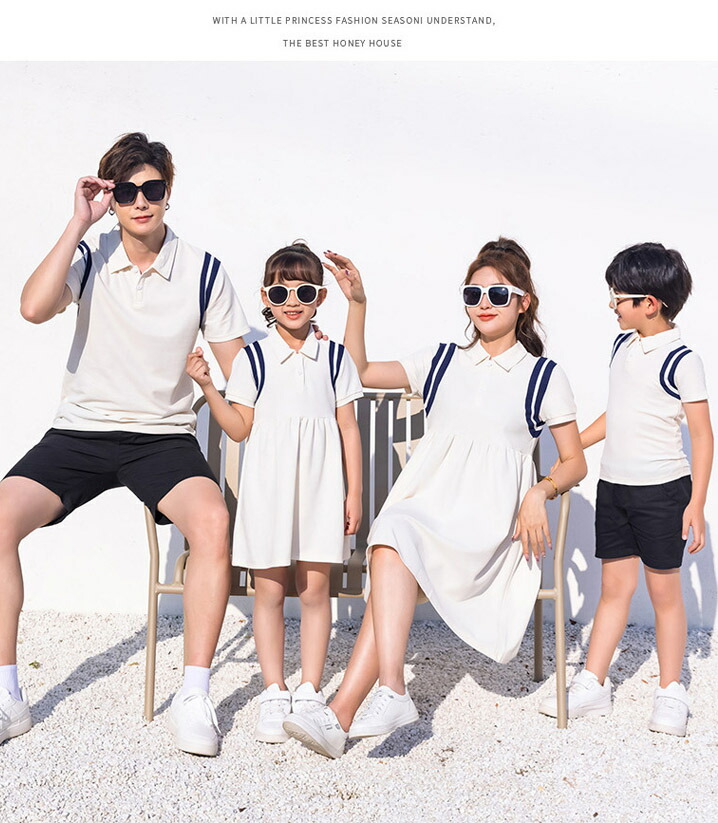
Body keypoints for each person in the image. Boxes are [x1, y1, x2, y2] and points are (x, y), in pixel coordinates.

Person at [0, 133, 250, 757]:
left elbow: (241, 368)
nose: (140, 201)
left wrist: (297, 353)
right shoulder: (90, 253)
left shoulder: (204, 270)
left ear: (168, 193)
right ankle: (6, 696)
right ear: (112, 198)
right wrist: (78, 222)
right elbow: (32, 308)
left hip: (162, 437)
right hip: (81, 432)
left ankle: (194, 695)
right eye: (126, 191)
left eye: (152, 188)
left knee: (212, 522)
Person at [282, 238, 587, 758]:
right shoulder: (444, 360)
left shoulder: (543, 375)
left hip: (487, 531)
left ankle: (349, 711)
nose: (484, 303)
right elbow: (360, 372)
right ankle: (377, 696)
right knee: (394, 533)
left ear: (523, 302)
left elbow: (574, 461)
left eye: (497, 293)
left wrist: (541, 490)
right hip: (427, 512)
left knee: (393, 538)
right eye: (473, 293)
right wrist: (357, 304)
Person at [186, 241, 363, 743]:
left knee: (315, 589)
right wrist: (208, 387)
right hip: (267, 491)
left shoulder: (334, 358)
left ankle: (309, 689)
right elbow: (239, 428)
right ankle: (273, 689)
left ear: (320, 297)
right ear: (266, 296)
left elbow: (349, 428)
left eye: (304, 292)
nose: (292, 301)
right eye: (281, 292)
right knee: (267, 591)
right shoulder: (253, 359)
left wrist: (354, 493)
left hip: (320, 491)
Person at [540, 242, 712, 737]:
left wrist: (696, 504)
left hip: (662, 493)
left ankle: (671, 689)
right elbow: (618, 412)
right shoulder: (622, 347)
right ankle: (594, 682)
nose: (612, 305)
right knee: (614, 588)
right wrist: (573, 446)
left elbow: (703, 435)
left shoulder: (682, 360)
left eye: (619, 297)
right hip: (615, 489)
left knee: (665, 594)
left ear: (649, 303)